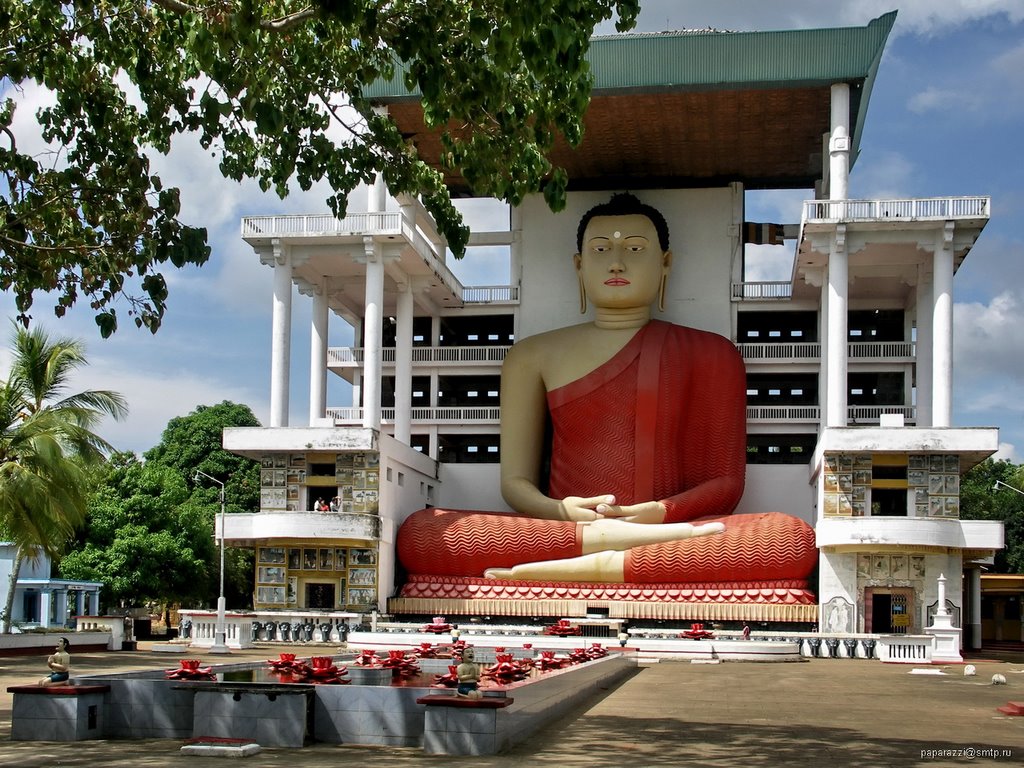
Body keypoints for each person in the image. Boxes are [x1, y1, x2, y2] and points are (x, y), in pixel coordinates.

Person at [397, 193, 817, 585]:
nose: (616, 264)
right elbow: (516, 484)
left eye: (635, 249)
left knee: (788, 538)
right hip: (567, 528)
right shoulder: (532, 355)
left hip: (674, 529)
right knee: (424, 534)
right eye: (601, 250)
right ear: (579, 265)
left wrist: (658, 513)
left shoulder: (710, 353)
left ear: (665, 262)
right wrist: (561, 511)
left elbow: (726, 483)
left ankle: (571, 567)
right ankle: (620, 560)